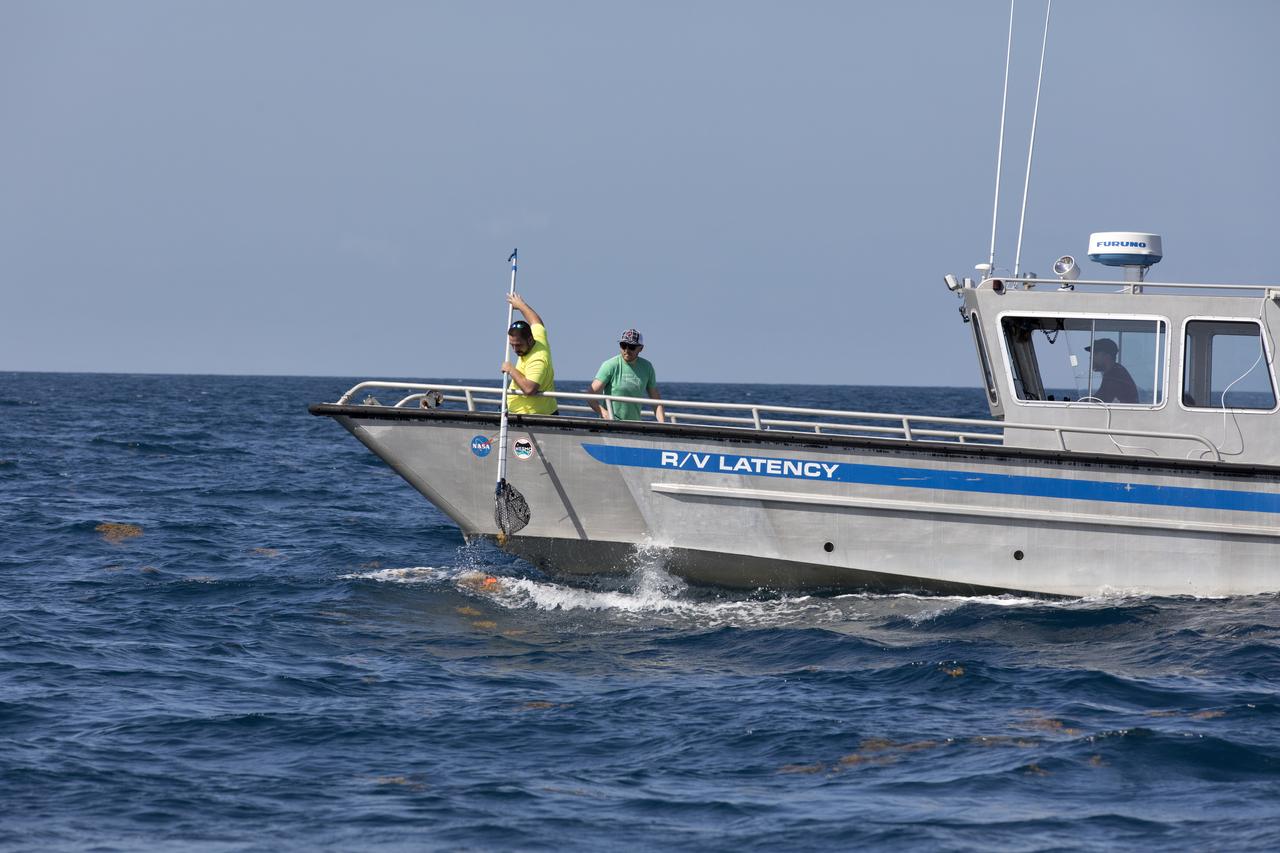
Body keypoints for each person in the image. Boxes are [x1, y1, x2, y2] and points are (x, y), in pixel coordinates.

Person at [588, 329, 665, 422]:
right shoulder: (610, 365)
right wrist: (605, 414)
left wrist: (663, 425)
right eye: (623, 345)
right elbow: (590, 396)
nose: (627, 350)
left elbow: (656, 402)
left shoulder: (647, 367)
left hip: (634, 427)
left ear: (641, 348)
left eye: (632, 347)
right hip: (610, 425)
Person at [501, 293, 558, 415]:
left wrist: (511, 369)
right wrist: (521, 305)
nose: (515, 349)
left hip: (534, 417)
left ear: (530, 340)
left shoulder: (538, 359)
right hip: (515, 411)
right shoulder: (538, 337)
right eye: (512, 345)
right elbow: (536, 321)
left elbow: (529, 388)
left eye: (518, 345)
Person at [1086, 337, 1139, 404]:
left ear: (1107, 356)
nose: (1091, 357)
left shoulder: (1115, 376)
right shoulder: (1114, 372)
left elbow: (1102, 401)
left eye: (1095, 353)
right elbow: (1099, 397)